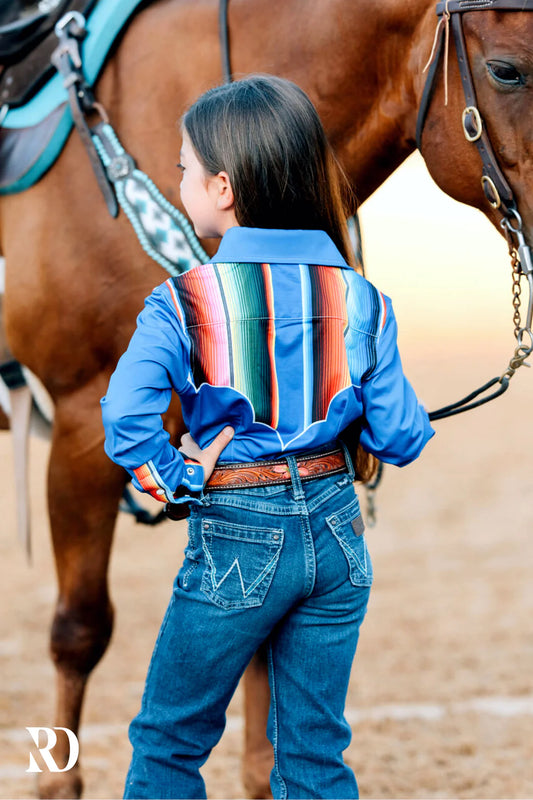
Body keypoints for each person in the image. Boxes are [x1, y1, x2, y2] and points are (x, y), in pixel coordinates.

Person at [101, 74, 434, 800]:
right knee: (314, 754)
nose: (178, 179)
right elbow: (403, 436)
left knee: (168, 743)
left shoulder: (184, 299)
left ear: (222, 187)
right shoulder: (360, 297)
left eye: (184, 168)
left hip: (237, 541)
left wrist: (176, 479)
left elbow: (124, 419)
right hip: (338, 538)